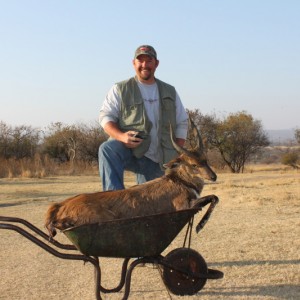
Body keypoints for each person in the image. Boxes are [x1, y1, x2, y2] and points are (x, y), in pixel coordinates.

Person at [98, 45, 188, 191]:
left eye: (149, 60)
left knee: (150, 201)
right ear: (134, 63)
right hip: (131, 151)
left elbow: (182, 123)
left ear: (156, 64)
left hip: (158, 159)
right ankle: (114, 200)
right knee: (107, 149)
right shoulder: (120, 88)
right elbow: (105, 116)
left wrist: (176, 153)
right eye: (140, 61)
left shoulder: (170, 91)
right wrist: (122, 137)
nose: (144, 65)